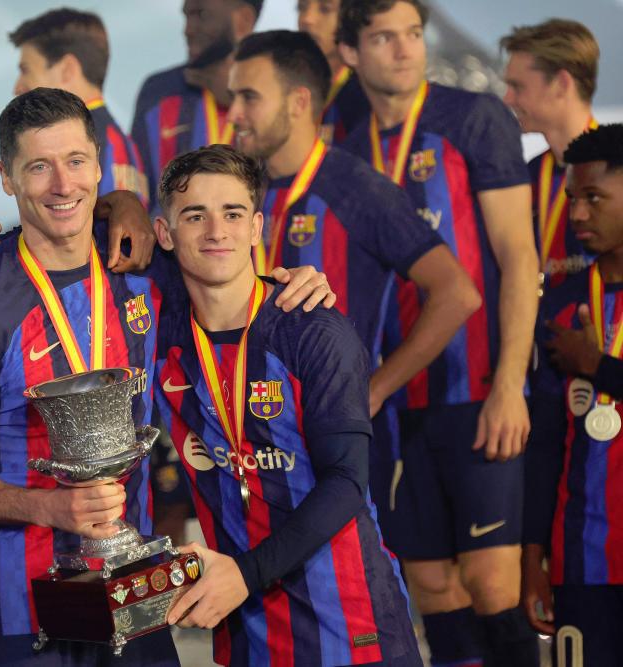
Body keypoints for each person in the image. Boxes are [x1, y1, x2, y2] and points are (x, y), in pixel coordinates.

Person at [0, 87, 333, 666]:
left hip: (135, 604)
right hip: (21, 618)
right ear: (5, 177)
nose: (63, 185)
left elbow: (232, 277)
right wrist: (47, 509)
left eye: (74, 162)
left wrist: (297, 285)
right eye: (38, 167)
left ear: (98, 162)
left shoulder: (143, 261)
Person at [152, 143, 420, 666]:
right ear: (165, 234)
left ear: (256, 229)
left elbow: (346, 481)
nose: (216, 231)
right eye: (194, 215)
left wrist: (244, 574)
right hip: (248, 631)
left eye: (232, 214)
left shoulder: (313, 329)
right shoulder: (160, 334)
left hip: (350, 627)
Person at [337, 1, 540, 665]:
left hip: (475, 391)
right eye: (383, 38)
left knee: (490, 582)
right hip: (390, 406)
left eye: (413, 35)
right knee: (429, 583)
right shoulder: (339, 135)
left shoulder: (472, 118)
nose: (404, 50)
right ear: (349, 53)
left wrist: (510, 381)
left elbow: (518, 257)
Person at [229, 30, 479, 417]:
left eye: (249, 97)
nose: (234, 114)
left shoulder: (356, 187)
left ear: (298, 102)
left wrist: (374, 391)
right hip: (258, 423)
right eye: (233, 97)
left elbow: (458, 293)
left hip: (338, 439)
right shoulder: (241, 187)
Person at [523, 123, 623, 666]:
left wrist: (597, 366)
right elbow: (543, 446)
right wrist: (532, 558)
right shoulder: (560, 305)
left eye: (594, 198)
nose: (577, 214)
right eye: (571, 199)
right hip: (582, 562)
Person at [9, 8, 149, 207]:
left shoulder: (90, 141)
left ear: (68, 69)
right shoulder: (115, 139)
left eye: (26, 70)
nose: (17, 87)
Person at [131, 0, 262, 212]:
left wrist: (234, 94)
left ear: (243, 21)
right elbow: (135, 190)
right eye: (186, 16)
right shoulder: (158, 91)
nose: (187, 29)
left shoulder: (279, 93)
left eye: (201, 15)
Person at [501, 19, 601, 289]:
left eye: (518, 86)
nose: (507, 99)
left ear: (561, 84)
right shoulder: (530, 174)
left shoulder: (615, 170)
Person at [296, 0, 370, 143]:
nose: (307, 19)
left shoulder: (368, 94)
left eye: (325, 9)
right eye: (302, 8)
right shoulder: (288, 85)